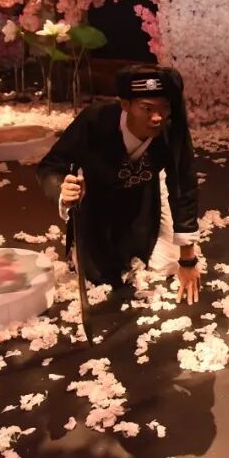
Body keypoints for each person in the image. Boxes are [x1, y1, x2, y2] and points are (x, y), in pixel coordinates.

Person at [37, 64, 203, 305]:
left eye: (164, 108)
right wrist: (63, 188)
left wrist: (187, 258)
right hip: (96, 203)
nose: (157, 117)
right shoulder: (95, 120)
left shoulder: (171, 127)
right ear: (125, 105)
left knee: (164, 264)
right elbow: (50, 165)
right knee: (100, 277)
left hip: (144, 200)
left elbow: (183, 183)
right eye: (147, 109)